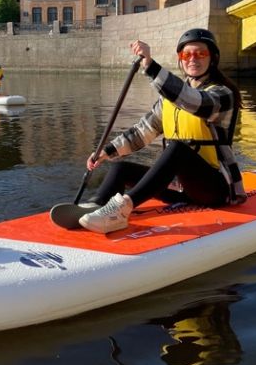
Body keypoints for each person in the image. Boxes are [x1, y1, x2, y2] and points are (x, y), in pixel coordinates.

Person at [78, 28, 246, 234]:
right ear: (181, 59)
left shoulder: (222, 94)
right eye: (187, 54)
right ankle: (95, 206)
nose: (193, 59)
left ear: (213, 58)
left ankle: (121, 211)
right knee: (119, 169)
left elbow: (195, 101)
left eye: (201, 53)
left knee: (179, 148)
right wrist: (106, 152)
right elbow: (142, 132)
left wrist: (150, 66)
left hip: (214, 189)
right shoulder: (169, 99)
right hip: (181, 188)